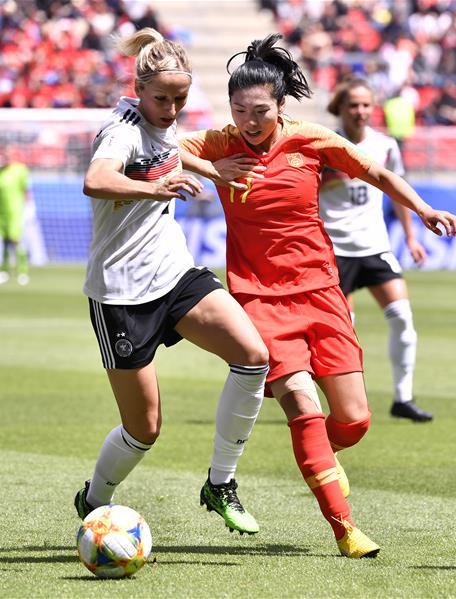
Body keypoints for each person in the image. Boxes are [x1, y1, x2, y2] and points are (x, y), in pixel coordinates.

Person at [180, 34, 456, 559]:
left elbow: (374, 171)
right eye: (239, 110)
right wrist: (213, 169)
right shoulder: (220, 143)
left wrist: (422, 210)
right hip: (259, 300)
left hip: (322, 293)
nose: (249, 121)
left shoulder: (310, 139)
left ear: (281, 105)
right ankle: (344, 527)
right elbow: (165, 146)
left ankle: (317, 459)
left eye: (260, 110)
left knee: (352, 421)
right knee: (303, 406)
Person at [74, 27, 272, 537]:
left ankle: (220, 483)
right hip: (120, 293)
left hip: (174, 274)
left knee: (253, 356)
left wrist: (209, 167)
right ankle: (94, 499)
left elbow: (168, 148)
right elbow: (95, 181)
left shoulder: (161, 120)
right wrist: (155, 187)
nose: (170, 109)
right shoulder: (119, 131)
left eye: (180, 99)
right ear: (137, 91)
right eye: (161, 99)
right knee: (145, 429)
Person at [317, 77, 433, 423]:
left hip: (375, 246)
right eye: (354, 105)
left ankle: (403, 397)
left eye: (367, 105)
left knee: (401, 317)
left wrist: (410, 237)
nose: (361, 111)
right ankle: (343, 404)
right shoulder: (324, 143)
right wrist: (333, 177)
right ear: (341, 107)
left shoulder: (385, 146)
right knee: (344, 329)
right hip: (335, 248)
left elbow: (395, 191)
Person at [0, 146, 31, 286]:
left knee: (16, 240)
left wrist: (29, 207)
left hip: (16, 211)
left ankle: (22, 271)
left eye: (8, 155)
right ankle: (4, 271)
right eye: (3, 155)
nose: (5, 158)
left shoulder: (20, 170)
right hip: (1, 212)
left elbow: (26, 191)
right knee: (4, 241)